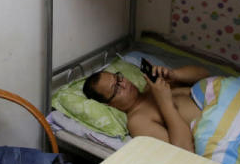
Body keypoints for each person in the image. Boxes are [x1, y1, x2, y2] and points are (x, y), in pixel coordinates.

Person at [82, 64, 210, 152]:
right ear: (109, 104)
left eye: (118, 78)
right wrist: (165, 103)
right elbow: (184, 151)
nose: (124, 83)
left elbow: (205, 74)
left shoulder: (151, 86)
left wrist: (175, 74)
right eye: (116, 88)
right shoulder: (137, 121)